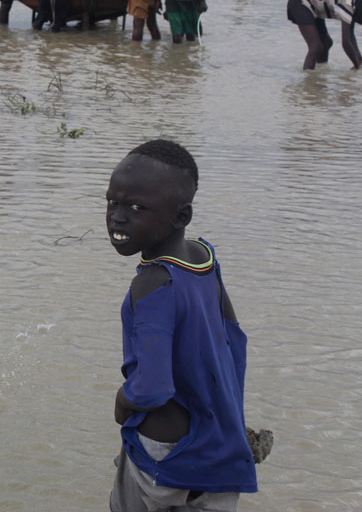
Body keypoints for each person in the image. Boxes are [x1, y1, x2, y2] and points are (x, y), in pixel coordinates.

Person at [106, 139, 258, 512]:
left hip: (165, 461)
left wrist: (123, 400)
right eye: (112, 202)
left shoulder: (153, 283)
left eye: (138, 207)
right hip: (217, 447)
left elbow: (153, 388)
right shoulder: (203, 260)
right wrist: (231, 424)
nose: (118, 216)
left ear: (181, 217)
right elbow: (233, 344)